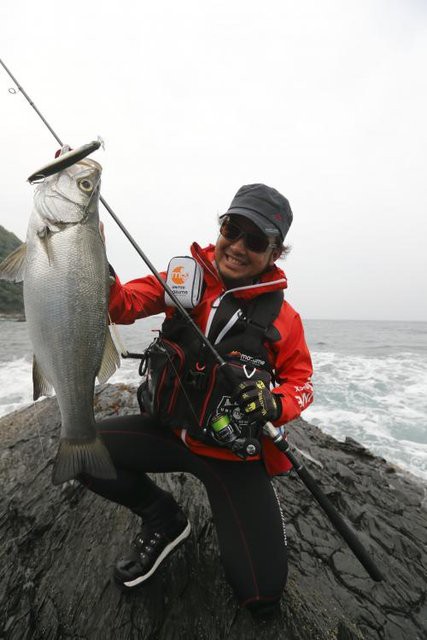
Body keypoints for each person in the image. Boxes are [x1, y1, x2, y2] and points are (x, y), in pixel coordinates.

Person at [80, 183, 313, 620]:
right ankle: (164, 518)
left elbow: (302, 381)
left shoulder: (284, 318)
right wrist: (90, 252)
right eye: (232, 228)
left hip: (232, 458)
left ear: (275, 253)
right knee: (77, 451)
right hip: (168, 431)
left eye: (256, 240)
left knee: (261, 598)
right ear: (221, 227)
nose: (238, 246)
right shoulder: (185, 278)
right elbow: (121, 305)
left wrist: (274, 402)